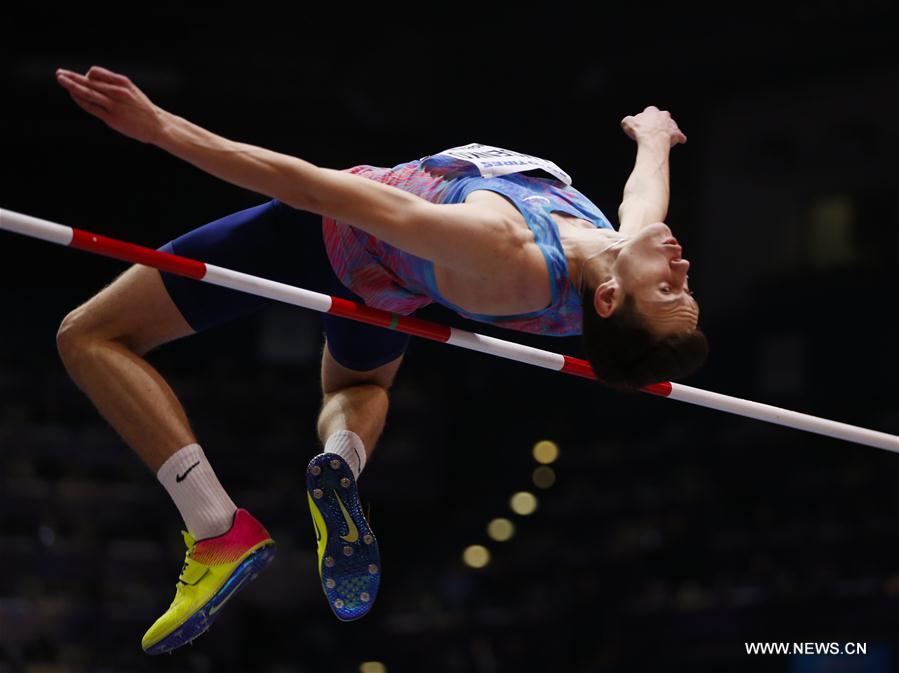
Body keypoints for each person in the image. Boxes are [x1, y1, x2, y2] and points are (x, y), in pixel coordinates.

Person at [53, 66, 708, 654]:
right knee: (360, 382)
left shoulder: (502, 248)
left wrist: (160, 127)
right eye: (683, 288)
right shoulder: (609, 268)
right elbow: (641, 206)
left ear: (611, 297)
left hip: (328, 239)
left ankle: (215, 526)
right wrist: (653, 141)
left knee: (88, 335)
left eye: (667, 287)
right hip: (394, 288)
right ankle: (340, 460)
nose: (680, 267)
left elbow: (315, 190)